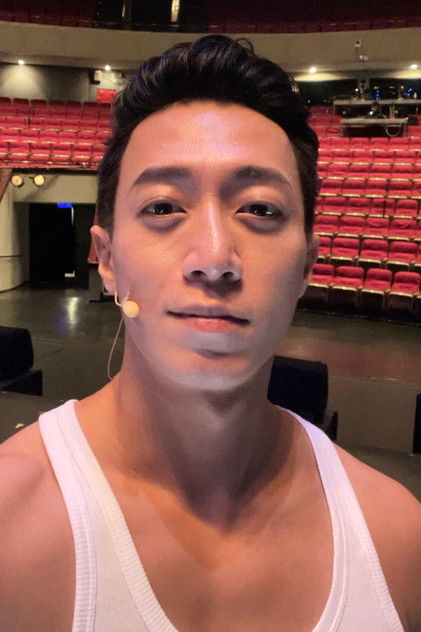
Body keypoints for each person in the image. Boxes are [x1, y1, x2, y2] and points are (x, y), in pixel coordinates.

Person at [0, 35, 420, 632]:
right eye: (163, 207)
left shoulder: (399, 541)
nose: (215, 258)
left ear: (306, 265)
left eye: (260, 209)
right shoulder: (8, 522)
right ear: (107, 259)